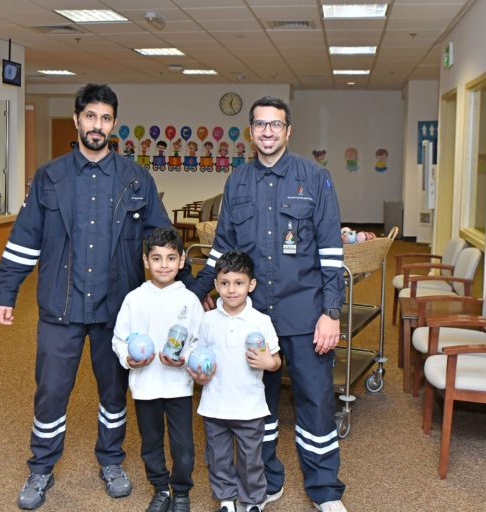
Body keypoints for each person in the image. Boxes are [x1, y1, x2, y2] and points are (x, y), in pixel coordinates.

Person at [0, 84, 193, 510]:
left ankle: (111, 460)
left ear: (113, 124)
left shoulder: (136, 178)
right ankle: (41, 467)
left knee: (114, 392)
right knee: (51, 391)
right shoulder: (50, 177)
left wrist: (190, 293)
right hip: (60, 306)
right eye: (90, 117)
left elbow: (163, 238)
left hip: (116, 309)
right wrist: (6, 290)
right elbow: (24, 239)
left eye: (105, 118)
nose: (97, 125)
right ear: (77, 120)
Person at [189, 96, 347, 512]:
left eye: (276, 124)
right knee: (258, 405)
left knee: (316, 402)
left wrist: (331, 313)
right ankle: (266, 480)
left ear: (288, 130)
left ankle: (325, 490)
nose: (268, 132)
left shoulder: (315, 178)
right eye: (260, 124)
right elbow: (222, 250)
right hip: (253, 318)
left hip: (305, 313)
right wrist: (194, 291)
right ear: (251, 131)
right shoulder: (237, 182)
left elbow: (331, 253)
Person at [112, 227, 204, 512]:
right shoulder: (134, 299)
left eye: (171, 258)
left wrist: (184, 358)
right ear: (145, 261)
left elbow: (200, 342)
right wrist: (129, 359)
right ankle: (161, 488)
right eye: (156, 258)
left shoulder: (189, 300)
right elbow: (119, 339)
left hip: (178, 387)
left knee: (183, 446)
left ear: (181, 261)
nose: (164, 265)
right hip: (145, 386)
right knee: (150, 443)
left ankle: (181, 491)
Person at [190, 250, 281, 512]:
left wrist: (269, 363)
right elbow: (198, 356)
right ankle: (226, 499)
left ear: (251, 285)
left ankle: (252, 500)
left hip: (249, 407)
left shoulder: (261, 321)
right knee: (217, 457)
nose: (231, 290)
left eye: (239, 283)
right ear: (216, 284)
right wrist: (198, 374)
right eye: (225, 283)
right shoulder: (207, 320)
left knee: (250, 459)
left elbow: (276, 360)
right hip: (214, 406)